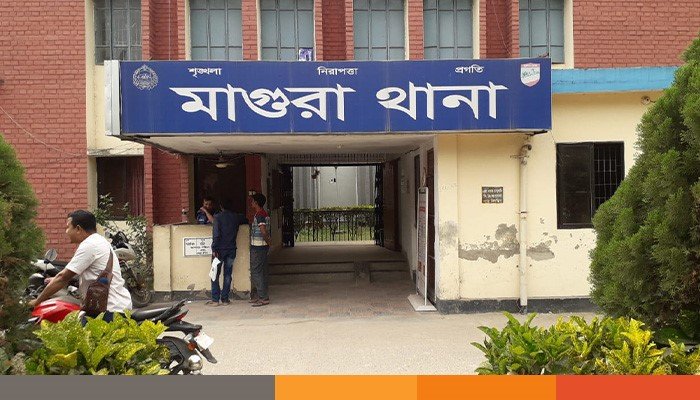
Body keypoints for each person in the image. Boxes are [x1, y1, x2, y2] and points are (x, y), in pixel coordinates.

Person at [28, 210, 132, 321]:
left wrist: (37, 301)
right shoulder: (100, 241)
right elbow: (88, 274)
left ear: (78, 229)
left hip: (108, 311)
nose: (66, 231)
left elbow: (62, 277)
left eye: (68, 227)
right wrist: (54, 280)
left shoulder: (89, 244)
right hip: (115, 307)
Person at [209, 198, 248, 306]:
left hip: (219, 250)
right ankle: (225, 299)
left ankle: (215, 300)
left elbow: (216, 235)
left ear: (221, 206)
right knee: (227, 274)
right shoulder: (236, 217)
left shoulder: (217, 217)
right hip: (231, 249)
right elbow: (246, 219)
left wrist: (214, 249)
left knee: (215, 274)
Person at [249, 193, 271, 307]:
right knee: (261, 271)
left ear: (256, 203)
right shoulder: (262, 213)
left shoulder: (260, 215)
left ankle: (263, 297)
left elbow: (263, 231)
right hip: (261, 246)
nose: (251, 203)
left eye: (253, 201)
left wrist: (268, 242)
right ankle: (262, 295)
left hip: (258, 246)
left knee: (256, 271)